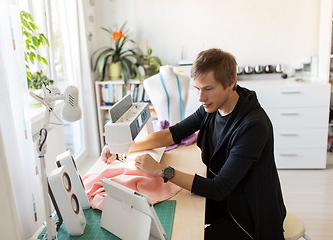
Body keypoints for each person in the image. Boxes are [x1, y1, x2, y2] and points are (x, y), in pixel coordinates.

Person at [101, 48, 286, 240]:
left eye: (208, 89)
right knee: (171, 215)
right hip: (228, 198)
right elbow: (174, 134)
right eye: (197, 88)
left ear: (231, 82)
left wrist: (162, 170)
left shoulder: (252, 126)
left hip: (250, 213)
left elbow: (218, 188)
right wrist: (123, 145)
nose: (200, 98)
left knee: (188, 233)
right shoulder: (213, 108)